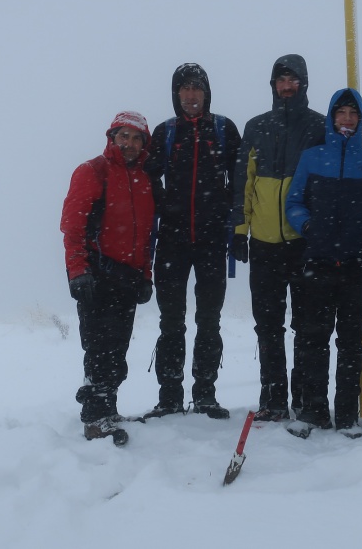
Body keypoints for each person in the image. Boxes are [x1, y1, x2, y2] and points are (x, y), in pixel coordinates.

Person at [284, 88, 362, 439]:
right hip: (317, 261)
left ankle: (347, 416)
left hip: (355, 264)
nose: (347, 119)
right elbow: (294, 202)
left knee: (350, 341)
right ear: (332, 117)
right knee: (313, 337)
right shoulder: (312, 158)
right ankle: (314, 411)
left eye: (353, 113)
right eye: (341, 112)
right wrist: (306, 226)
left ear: (360, 119)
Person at [142, 63, 242, 421]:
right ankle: (169, 397)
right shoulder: (166, 132)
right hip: (173, 240)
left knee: (209, 320)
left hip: (212, 240)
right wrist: (165, 204)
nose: (190, 94)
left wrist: (232, 219)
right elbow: (147, 177)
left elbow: (240, 179)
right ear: (176, 94)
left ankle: (205, 395)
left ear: (206, 92)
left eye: (196, 87)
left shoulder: (224, 130)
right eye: (184, 88)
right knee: (171, 321)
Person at [231, 54, 325, 422]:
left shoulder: (319, 126)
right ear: (273, 85)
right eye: (280, 80)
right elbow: (243, 182)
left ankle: (302, 398)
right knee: (268, 326)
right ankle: (273, 398)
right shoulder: (256, 127)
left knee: (306, 325)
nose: (286, 86)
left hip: (304, 243)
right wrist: (239, 231)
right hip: (264, 244)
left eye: (292, 80)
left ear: (303, 83)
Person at [60, 111, 156, 446]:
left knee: (117, 349)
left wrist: (146, 275)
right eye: (124, 136)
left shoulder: (144, 179)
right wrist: (78, 271)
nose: (129, 143)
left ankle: (108, 409)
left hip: (128, 277)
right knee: (99, 348)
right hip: (97, 274)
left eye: (136, 138)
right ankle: (94, 418)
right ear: (112, 137)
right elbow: (72, 227)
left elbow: (146, 234)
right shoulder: (92, 171)